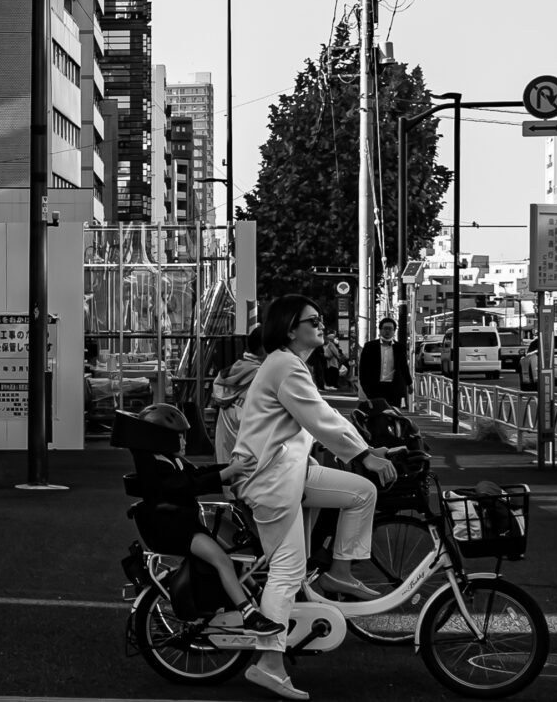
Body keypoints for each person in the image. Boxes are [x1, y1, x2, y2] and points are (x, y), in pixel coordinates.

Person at [232, 293, 401, 701]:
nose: (321, 325)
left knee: (360, 492)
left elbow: (325, 413)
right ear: (291, 329)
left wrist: (365, 451)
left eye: (321, 318)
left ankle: (339, 573)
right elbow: (319, 418)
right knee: (288, 570)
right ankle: (268, 664)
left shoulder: (293, 365)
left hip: (291, 472)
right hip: (270, 480)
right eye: (313, 320)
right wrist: (362, 454)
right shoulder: (285, 366)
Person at [121, 402, 277, 635]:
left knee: (229, 553)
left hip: (180, 524)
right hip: (172, 529)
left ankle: (257, 592)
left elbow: (198, 474)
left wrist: (234, 469)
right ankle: (249, 614)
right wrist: (227, 473)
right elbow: (187, 485)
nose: (184, 442)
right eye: (179, 437)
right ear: (160, 438)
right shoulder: (153, 466)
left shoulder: (168, 459)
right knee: (222, 561)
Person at [359, 318, 413, 408]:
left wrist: (409, 383)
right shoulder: (370, 346)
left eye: (390, 329)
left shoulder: (400, 348)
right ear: (380, 330)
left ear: (394, 331)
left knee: (394, 415)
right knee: (378, 415)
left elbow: (404, 367)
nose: (387, 331)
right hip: (375, 388)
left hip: (394, 387)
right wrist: (366, 387)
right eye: (385, 328)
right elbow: (363, 369)